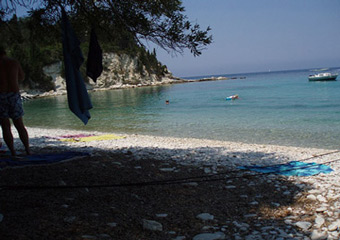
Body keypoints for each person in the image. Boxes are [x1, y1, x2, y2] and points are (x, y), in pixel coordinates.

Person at [0, 46, 30, 156]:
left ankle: (13, 152)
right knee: (19, 124)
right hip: (13, 94)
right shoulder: (13, 62)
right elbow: (21, 77)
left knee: (5, 125)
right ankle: (27, 150)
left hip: (1, 95)